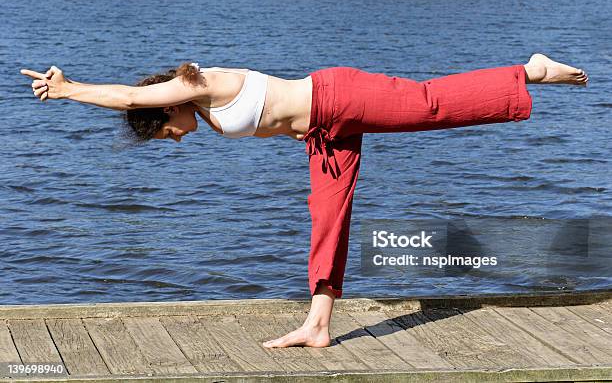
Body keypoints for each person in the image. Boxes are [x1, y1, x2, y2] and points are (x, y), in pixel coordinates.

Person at [21, 53, 588, 348]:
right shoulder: (209, 116)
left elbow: (127, 95)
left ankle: (528, 72)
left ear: (165, 107)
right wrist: (297, 132)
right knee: (328, 217)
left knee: (429, 105)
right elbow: (274, 114)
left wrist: (69, 90)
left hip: (341, 96)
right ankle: (319, 324)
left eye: (163, 131)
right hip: (325, 130)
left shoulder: (198, 85)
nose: (171, 139)